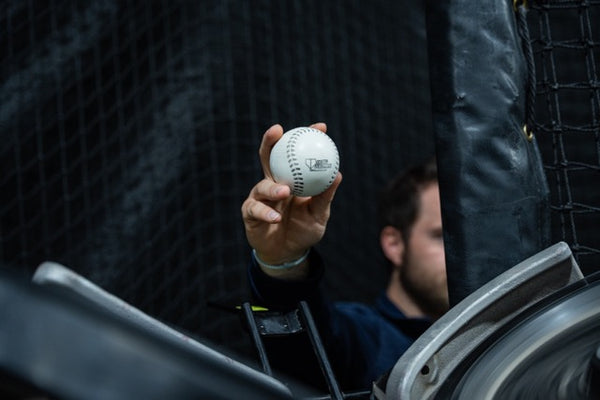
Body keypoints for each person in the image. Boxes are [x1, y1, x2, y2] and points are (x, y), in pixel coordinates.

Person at [241, 123, 449, 391]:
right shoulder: (364, 339)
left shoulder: (491, 343)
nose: (457, 253)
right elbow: (299, 350)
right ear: (395, 244)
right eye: (441, 236)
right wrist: (282, 263)